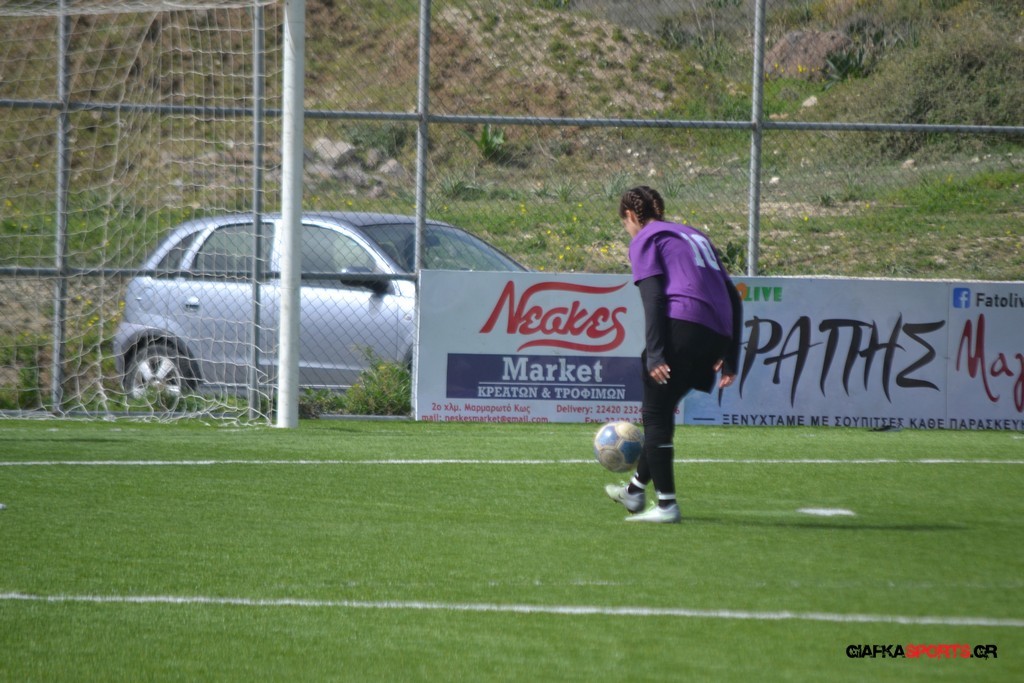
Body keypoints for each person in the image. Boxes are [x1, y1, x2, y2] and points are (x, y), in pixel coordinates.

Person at [605, 186, 743, 523]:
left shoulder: (646, 238)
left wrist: (655, 354)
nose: (628, 229)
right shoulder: (693, 235)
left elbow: (653, 298)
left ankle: (666, 505)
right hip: (717, 332)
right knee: (663, 411)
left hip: (684, 325)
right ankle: (635, 491)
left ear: (630, 215)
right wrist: (731, 353)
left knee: (654, 414)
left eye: (625, 223)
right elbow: (733, 297)